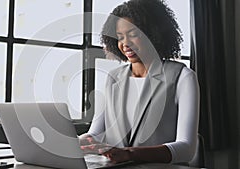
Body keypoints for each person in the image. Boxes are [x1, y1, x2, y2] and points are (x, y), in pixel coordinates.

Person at [79, 0, 200, 165]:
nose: (125, 43)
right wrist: (76, 143)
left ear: (153, 33)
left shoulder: (183, 77)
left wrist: (129, 154)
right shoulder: (113, 78)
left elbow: (187, 149)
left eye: (133, 34)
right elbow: (95, 133)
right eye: (120, 37)